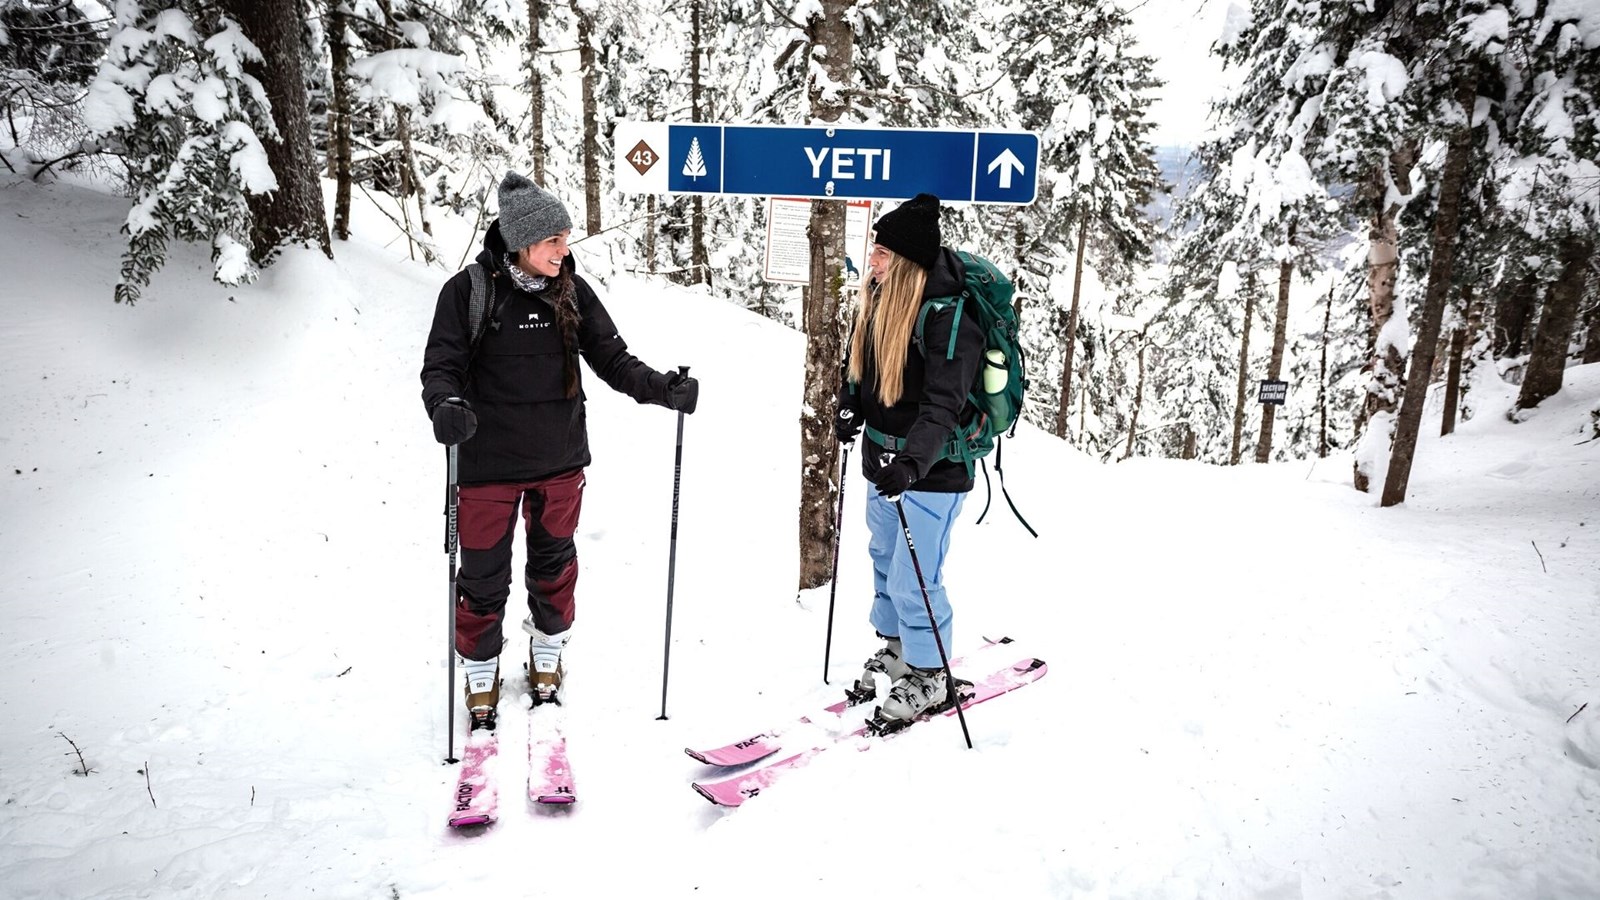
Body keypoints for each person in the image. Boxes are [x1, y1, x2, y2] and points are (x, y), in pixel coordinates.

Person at [421, 171, 699, 728]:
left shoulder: (573, 290)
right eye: (553, 240)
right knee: (481, 574)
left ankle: (547, 652)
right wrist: (444, 405)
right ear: (522, 241)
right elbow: (441, 366)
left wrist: (663, 389)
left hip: (560, 463)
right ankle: (480, 668)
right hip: (486, 465)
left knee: (554, 565)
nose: (563, 249)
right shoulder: (468, 292)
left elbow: (614, 361)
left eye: (566, 238)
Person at [833, 192, 984, 725]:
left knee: (914, 575)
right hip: (883, 459)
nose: (871, 259)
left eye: (881, 253)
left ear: (907, 263)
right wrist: (850, 406)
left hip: (933, 470)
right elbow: (865, 371)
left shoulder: (949, 321)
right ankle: (899, 647)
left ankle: (930, 674)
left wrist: (913, 465)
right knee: (883, 555)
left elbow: (944, 404)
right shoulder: (881, 300)